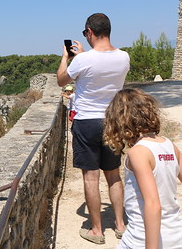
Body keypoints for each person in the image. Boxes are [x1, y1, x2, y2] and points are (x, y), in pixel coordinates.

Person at [57, 13, 130, 244]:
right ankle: (120, 225)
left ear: (89, 31)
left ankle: (97, 231)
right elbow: (101, 71)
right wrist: (83, 57)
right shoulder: (124, 57)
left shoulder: (83, 60)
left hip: (87, 121)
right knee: (114, 175)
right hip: (113, 121)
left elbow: (61, 80)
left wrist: (65, 58)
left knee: (91, 177)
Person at [104, 88, 182, 249]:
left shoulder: (138, 152)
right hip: (176, 235)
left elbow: (153, 204)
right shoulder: (169, 145)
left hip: (142, 238)